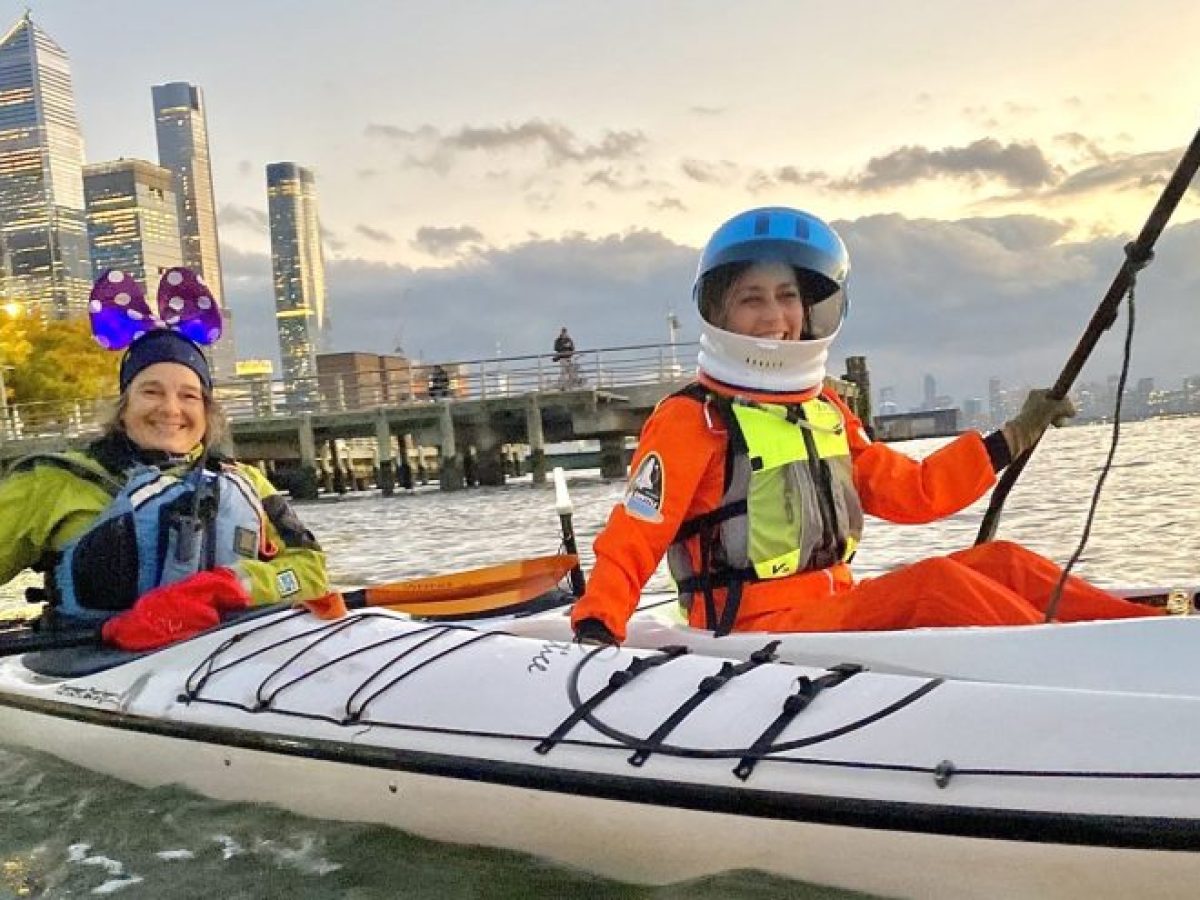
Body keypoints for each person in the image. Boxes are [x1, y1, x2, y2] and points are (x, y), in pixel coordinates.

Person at [571, 207, 1161, 644]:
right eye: (752, 299)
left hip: (834, 607)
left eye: (787, 296)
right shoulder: (692, 418)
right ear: (721, 313)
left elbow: (915, 493)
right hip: (753, 633)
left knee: (1001, 562)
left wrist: (1012, 436)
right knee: (934, 586)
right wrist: (598, 622)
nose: (776, 315)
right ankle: (1072, 662)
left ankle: (1157, 634)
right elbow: (634, 535)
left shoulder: (824, 409)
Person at [0, 267, 333, 651]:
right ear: (124, 407)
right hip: (91, 666)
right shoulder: (53, 482)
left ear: (207, 413)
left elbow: (309, 571)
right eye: (151, 392)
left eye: (189, 396)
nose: (171, 409)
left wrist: (227, 588)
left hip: (225, 660)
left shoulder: (247, 483)